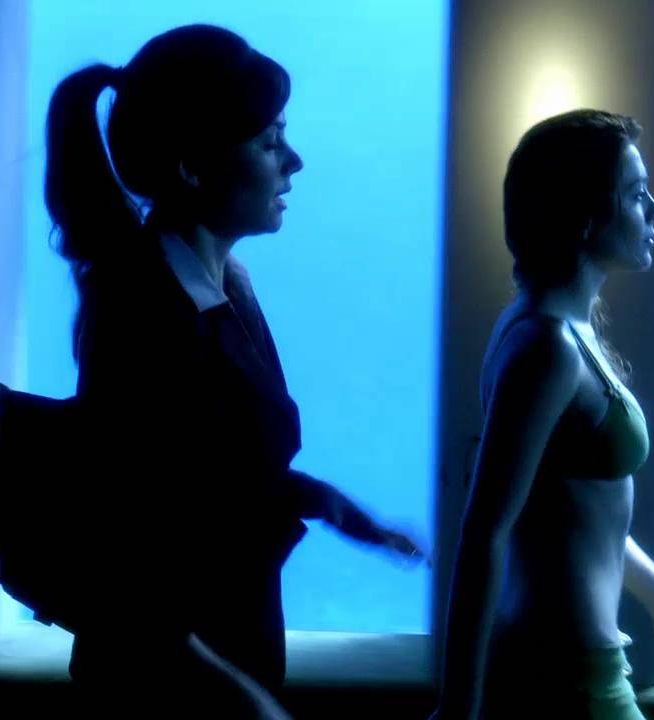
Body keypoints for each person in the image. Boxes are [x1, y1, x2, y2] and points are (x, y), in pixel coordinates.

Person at [40, 24, 424, 713]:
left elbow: (217, 477)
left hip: (227, 663)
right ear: (193, 167)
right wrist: (245, 702)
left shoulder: (225, 287)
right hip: (170, 689)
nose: (294, 162)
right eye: (270, 143)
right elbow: (129, 549)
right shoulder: (141, 311)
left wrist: (341, 512)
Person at [430, 110, 654, 720]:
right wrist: (457, 706)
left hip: (578, 669)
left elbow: (580, 513)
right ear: (585, 214)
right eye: (635, 194)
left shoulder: (558, 332)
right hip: (565, 682)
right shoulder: (546, 347)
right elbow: (484, 533)